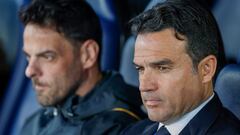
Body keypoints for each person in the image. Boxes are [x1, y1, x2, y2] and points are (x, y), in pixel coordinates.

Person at [19, 0, 146, 134]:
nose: (29, 71)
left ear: (88, 55)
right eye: (28, 56)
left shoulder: (119, 127)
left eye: (47, 56)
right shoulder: (39, 121)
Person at [121, 0, 240, 135]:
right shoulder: (134, 130)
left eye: (162, 68)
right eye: (140, 69)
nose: (144, 86)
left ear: (206, 69)